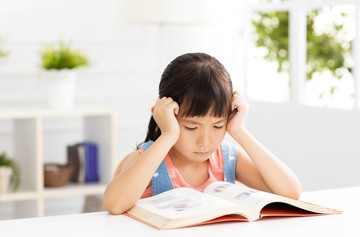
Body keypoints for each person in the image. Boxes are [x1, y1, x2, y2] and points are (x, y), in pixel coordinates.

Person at [104, 52, 302, 215]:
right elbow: (114, 205)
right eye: (191, 127)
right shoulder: (147, 160)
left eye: (217, 126)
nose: (205, 142)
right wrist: (168, 135)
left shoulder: (227, 158)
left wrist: (239, 131)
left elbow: (290, 192)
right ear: (166, 115)